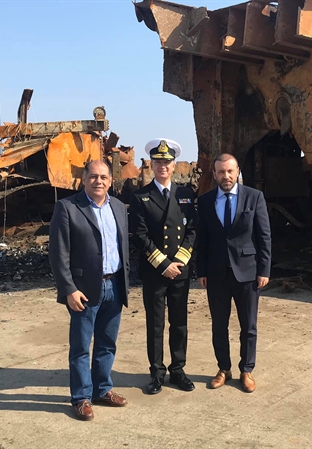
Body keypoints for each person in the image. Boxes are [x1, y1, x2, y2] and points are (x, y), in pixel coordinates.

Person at [49, 159, 130, 421]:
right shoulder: (67, 207)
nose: (98, 181)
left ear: (110, 181)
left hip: (114, 285)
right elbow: (58, 253)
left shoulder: (118, 207)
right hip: (83, 289)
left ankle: (102, 389)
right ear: (83, 179)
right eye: (93, 176)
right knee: (81, 347)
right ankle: (81, 397)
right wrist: (69, 289)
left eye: (103, 177)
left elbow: (122, 247)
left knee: (107, 343)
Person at [197, 153, 271, 393]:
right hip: (216, 273)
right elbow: (202, 239)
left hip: (247, 273)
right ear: (214, 174)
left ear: (237, 171)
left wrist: (264, 270)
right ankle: (224, 369)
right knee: (219, 325)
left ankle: (246, 370)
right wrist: (201, 270)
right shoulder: (206, 201)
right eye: (221, 172)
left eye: (230, 171)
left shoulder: (254, 197)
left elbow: (264, 236)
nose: (226, 176)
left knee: (248, 325)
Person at [130, 138, 197, 394]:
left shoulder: (185, 195)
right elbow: (140, 235)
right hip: (155, 271)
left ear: (174, 165)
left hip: (179, 270)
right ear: (151, 164)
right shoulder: (141, 197)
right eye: (158, 162)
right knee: (155, 324)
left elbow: (192, 230)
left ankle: (178, 370)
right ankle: (157, 373)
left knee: (179, 323)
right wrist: (163, 264)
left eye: (167, 162)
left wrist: (179, 261)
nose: (163, 166)